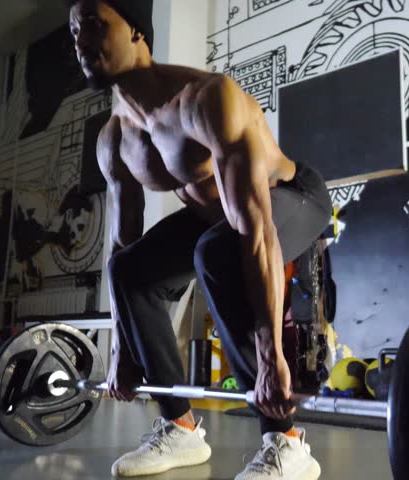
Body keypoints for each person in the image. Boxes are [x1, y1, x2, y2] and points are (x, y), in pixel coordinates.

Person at [67, 1, 332, 478]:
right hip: (219, 221)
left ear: (138, 35)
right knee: (127, 269)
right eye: (73, 30)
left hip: (291, 196)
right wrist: (124, 352)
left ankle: (287, 441)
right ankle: (181, 430)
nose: (81, 39)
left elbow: (254, 229)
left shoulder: (207, 99)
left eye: (94, 23)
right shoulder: (115, 138)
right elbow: (122, 242)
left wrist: (271, 358)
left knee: (218, 250)